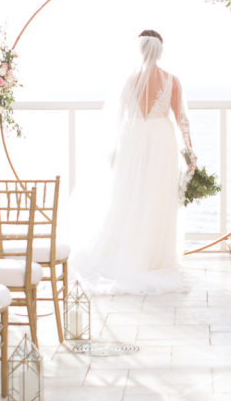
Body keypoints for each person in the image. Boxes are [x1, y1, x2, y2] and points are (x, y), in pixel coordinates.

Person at [73, 29, 195, 293]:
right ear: (160, 51)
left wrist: (115, 149)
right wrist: (190, 152)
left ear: (139, 50)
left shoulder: (127, 81)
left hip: (131, 140)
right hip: (162, 141)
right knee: (157, 197)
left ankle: (126, 254)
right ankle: (154, 259)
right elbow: (181, 118)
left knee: (128, 196)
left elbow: (118, 119)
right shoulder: (172, 81)